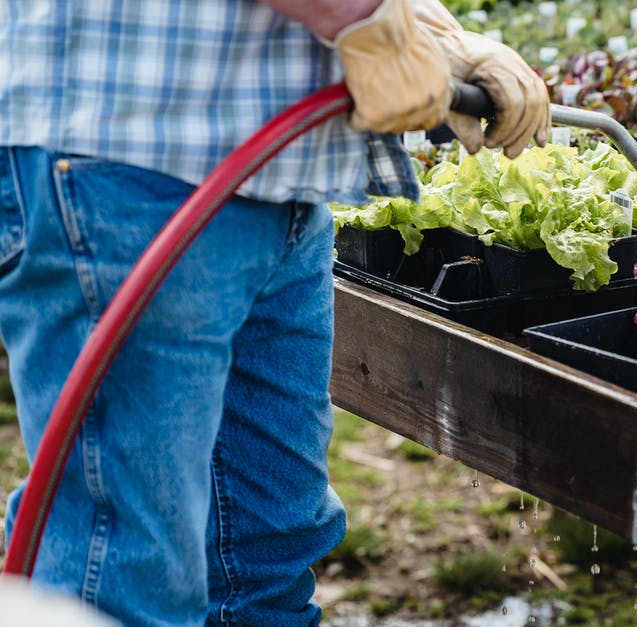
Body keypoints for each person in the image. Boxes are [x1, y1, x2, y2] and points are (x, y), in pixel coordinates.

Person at [0, 0, 549, 624]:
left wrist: (431, 34)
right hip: (130, 157)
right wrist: (366, 20)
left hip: (278, 176)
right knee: (121, 573)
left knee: (262, 557)